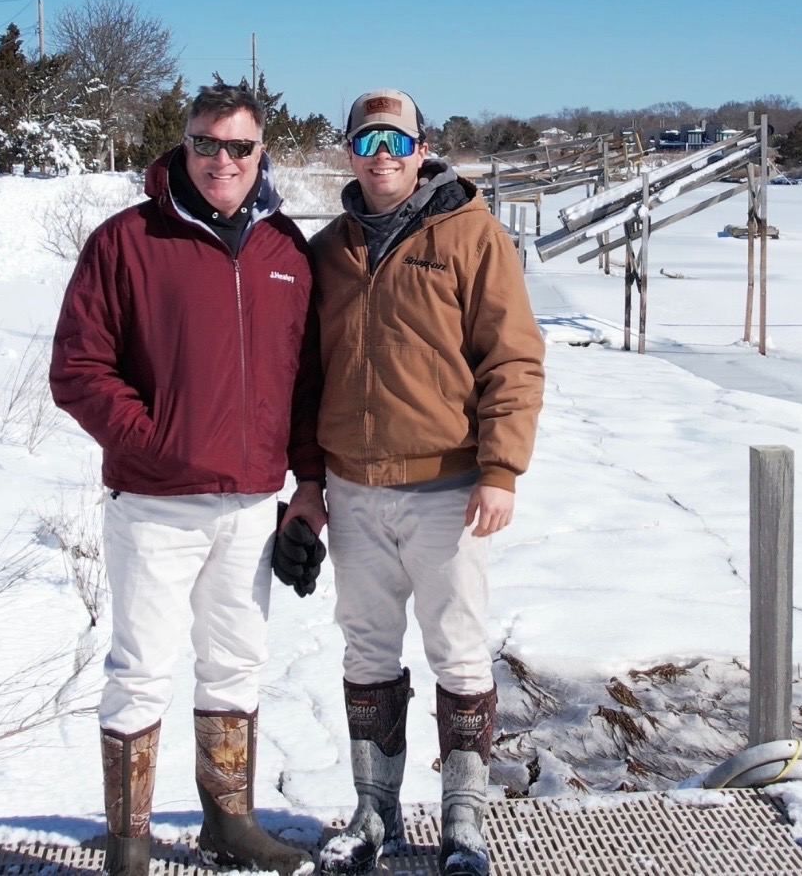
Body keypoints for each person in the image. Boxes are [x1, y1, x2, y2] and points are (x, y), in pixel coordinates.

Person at [50, 81, 320, 876]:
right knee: (140, 670)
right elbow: (78, 369)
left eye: (239, 146)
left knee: (236, 663)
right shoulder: (127, 241)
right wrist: (155, 444)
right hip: (154, 506)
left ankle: (228, 822)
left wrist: (308, 488)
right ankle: (129, 844)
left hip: (251, 504)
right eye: (206, 143)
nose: (221, 160)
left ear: (261, 151)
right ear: (184, 146)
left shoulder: (285, 250)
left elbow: (305, 383)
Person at [283, 88, 545, 876]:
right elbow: (305, 378)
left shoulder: (472, 234)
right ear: (349, 152)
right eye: (368, 142)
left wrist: (500, 469)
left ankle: (464, 820)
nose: (382, 157)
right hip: (355, 490)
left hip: (447, 489)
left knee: (458, 654)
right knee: (366, 652)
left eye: (396, 142)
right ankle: (375, 814)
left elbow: (513, 358)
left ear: (422, 150)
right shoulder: (327, 251)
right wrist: (308, 485)